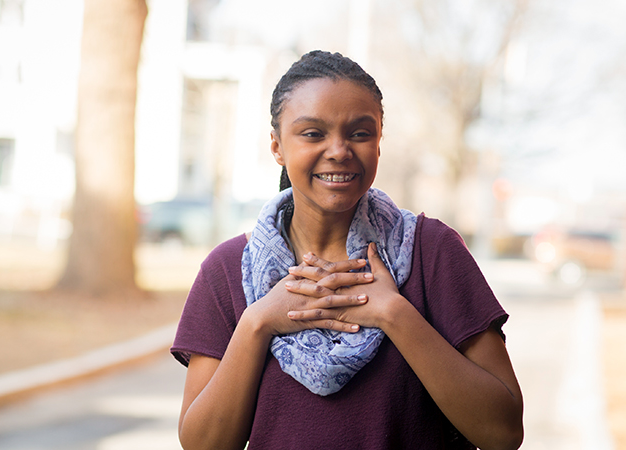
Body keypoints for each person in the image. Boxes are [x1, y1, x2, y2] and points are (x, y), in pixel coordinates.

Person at [171, 50, 523, 450]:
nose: (339, 150)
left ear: (378, 143)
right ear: (277, 147)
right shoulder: (228, 270)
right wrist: (258, 323)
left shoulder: (430, 251)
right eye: (313, 133)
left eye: (359, 133)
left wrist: (394, 313)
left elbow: (503, 433)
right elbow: (202, 445)